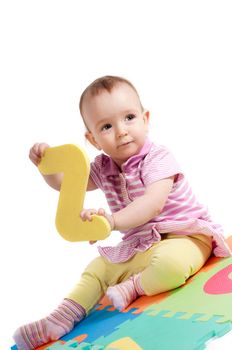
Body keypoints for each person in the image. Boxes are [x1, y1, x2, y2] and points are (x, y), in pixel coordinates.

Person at [13, 75, 231, 349]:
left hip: (185, 236)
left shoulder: (158, 158)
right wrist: (45, 166)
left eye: (129, 117)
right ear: (92, 139)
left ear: (145, 119)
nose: (121, 131)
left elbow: (153, 203)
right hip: (140, 245)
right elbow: (65, 184)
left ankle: (135, 286)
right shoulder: (102, 168)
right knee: (96, 270)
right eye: (106, 126)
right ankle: (59, 319)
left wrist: (111, 221)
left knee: (170, 265)